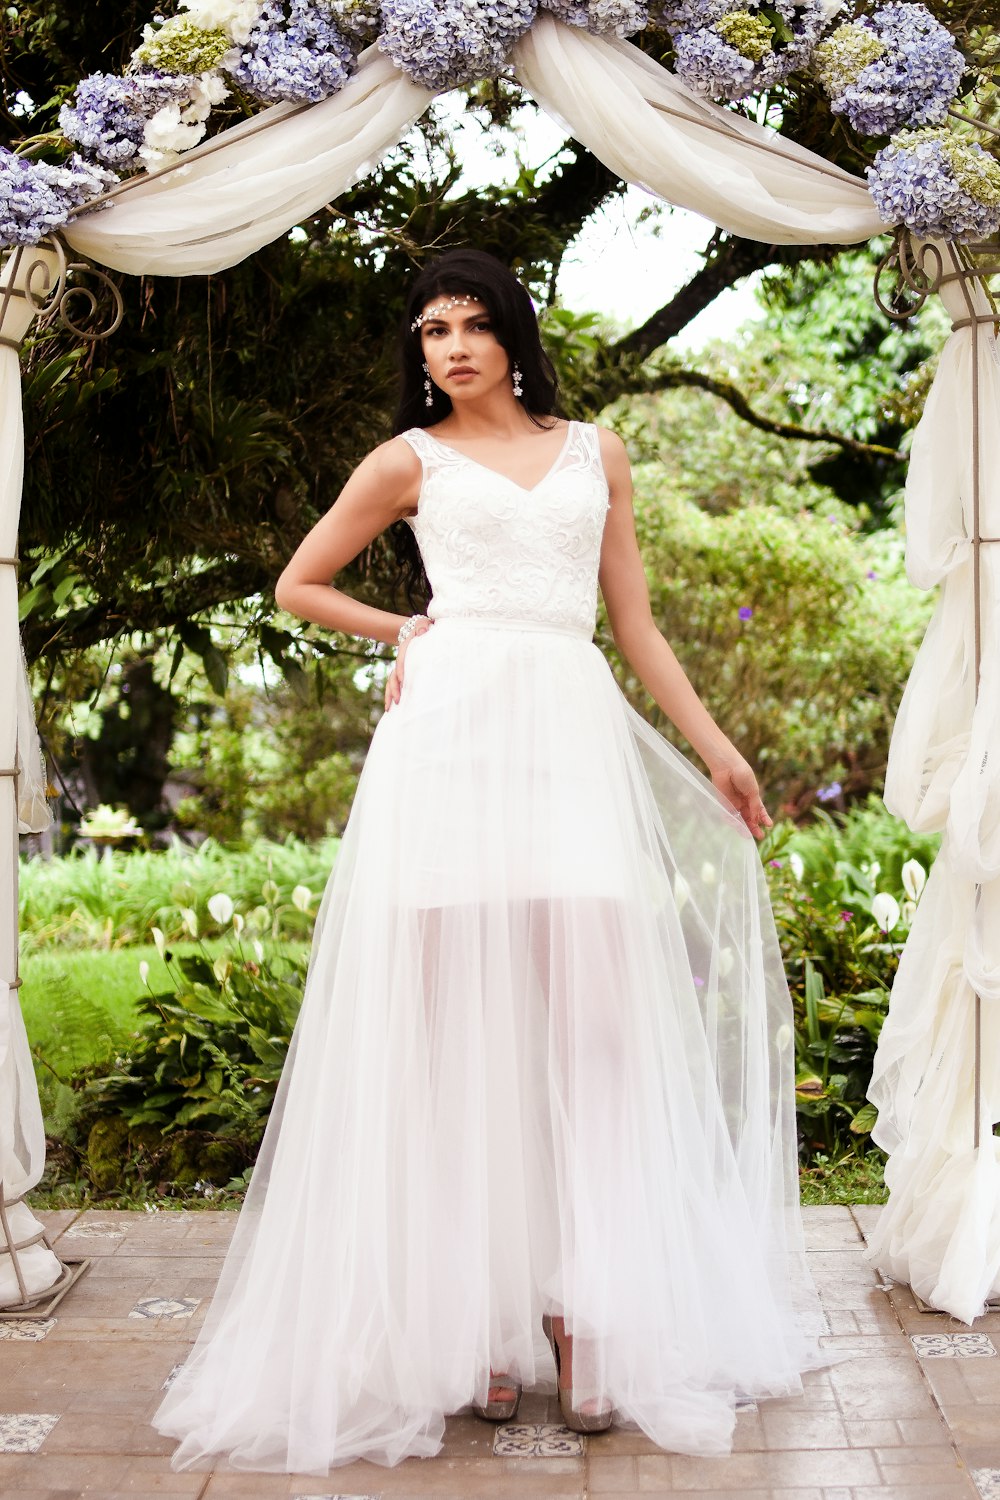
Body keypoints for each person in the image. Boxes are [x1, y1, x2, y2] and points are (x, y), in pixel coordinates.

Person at [153, 248, 823, 1475]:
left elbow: (632, 622)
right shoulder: (405, 462)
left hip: (568, 742)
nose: (449, 348)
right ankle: (483, 1327)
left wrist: (719, 751)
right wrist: (407, 625)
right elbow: (300, 582)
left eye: (470, 326)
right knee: (461, 1043)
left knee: (593, 1042)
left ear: (514, 335)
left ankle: (582, 1317)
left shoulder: (594, 451)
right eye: (429, 332)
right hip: (449, 746)